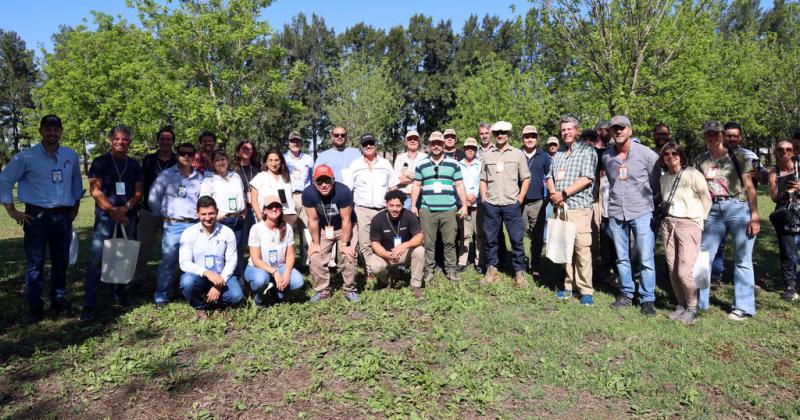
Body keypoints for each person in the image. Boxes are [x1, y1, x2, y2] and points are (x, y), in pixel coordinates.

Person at [0, 115, 83, 322]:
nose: (52, 133)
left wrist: (75, 208)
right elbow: (5, 180)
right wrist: (11, 210)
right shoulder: (26, 157)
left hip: (62, 216)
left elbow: (76, 184)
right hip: (35, 216)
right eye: (48, 129)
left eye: (56, 129)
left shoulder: (70, 156)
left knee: (60, 262)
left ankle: (58, 302)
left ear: (61, 132)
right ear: (41, 131)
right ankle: (35, 308)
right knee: (35, 263)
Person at [695, 121, 760, 321]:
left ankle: (743, 306)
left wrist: (754, 215)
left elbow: (749, 187)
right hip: (712, 211)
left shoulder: (738, 156)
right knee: (703, 257)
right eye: (708, 134)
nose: (712, 137)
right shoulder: (701, 159)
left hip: (738, 208)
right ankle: (699, 302)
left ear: (722, 135)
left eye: (716, 134)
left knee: (742, 258)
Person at [81, 125, 144, 321]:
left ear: (129, 142)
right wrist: (112, 211)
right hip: (105, 218)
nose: (121, 142)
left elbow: (138, 192)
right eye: (117, 139)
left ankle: (120, 295)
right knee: (97, 259)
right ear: (111, 141)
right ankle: (89, 303)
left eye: (125, 139)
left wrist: (124, 209)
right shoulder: (100, 162)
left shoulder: (134, 165)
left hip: (128, 216)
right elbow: (95, 191)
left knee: (123, 255)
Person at [603, 115, 661, 316]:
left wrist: (652, 205)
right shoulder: (607, 156)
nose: (618, 131)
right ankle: (627, 293)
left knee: (645, 257)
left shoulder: (647, 154)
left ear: (630, 130)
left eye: (622, 128)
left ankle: (647, 299)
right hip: (617, 211)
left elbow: (656, 184)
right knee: (621, 257)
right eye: (614, 129)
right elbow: (611, 181)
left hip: (642, 211)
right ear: (610, 132)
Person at [709, 122, 769, 289]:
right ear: (723, 136)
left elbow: (762, 179)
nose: (732, 139)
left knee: (742, 251)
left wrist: (758, 174)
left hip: (741, 204)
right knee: (716, 246)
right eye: (729, 135)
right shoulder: (711, 155)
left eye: (736, 135)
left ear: (740, 137)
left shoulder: (748, 155)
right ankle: (715, 277)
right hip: (716, 207)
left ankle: (744, 287)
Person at [658, 142, 711, 324]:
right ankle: (681, 305)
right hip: (668, 223)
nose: (671, 157)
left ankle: (692, 307)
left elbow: (706, 199)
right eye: (666, 154)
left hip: (689, 223)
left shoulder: (692, 174)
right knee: (672, 268)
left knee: (684, 270)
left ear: (681, 155)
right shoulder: (664, 178)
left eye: (674, 153)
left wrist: (698, 221)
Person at [547, 116, 597, 305]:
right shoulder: (558, 153)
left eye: (570, 129)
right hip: (561, 208)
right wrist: (553, 192)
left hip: (579, 208)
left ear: (577, 131)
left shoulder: (587, 151)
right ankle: (569, 286)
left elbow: (587, 178)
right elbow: (549, 176)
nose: (566, 133)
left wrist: (564, 193)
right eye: (563, 130)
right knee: (565, 248)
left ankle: (586, 291)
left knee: (582, 249)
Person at [149, 142, 205, 307]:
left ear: (195, 155)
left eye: (190, 153)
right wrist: (165, 216)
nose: (186, 156)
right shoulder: (165, 175)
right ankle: (161, 296)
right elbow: (153, 199)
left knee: (194, 261)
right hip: (173, 225)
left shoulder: (200, 178)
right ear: (177, 155)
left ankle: (190, 292)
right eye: (182, 153)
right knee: (168, 262)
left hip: (195, 225)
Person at [411, 131, 469, 283]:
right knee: (429, 243)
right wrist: (413, 205)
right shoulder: (421, 164)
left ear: (443, 145)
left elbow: (459, 185)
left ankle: (451, 270)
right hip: (427, 209)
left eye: (439, 143)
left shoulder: (454, 164)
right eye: (433, 143)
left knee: (449, 242)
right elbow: (416, 185)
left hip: (449, 209)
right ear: (429, 145)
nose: (436, 146)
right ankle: (428, 270)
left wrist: (464, 205)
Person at [480, 121, 531, 287]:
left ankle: (519, 272)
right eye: (497, 133)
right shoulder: (487, 155)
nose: (500, 135)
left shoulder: (517, 154)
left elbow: (526, 178)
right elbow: (483, 179)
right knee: (490, 239)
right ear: (494, 135)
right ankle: (492, 269)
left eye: (503, 132)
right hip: (492, 204)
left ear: (508, 134)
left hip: (511, 204)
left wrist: (520, 199)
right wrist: (483, 199)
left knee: (516, 239)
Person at [178, 196, 244, 319]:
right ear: (197, 214)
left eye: (211, 213)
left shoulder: (227, 232)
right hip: (200, 276)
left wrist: (219, 284)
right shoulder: (189, 233)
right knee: (187, 282)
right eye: (203, 214)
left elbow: (232, 261)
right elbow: (184, 263)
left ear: (217, 212)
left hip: (221, 275)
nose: (208, 218)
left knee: (237, 296)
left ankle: (215, 301)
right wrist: (206, 273)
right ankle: (200, 306)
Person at [302, 165, 360, 302]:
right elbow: (313, 220)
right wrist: (315, 243)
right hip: (323, 229)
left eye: (327, 181)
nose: (323, 185)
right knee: (315, 256)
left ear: (333, 180)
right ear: (313, 181)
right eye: (319, 181)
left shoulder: (344, 191)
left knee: (348, 255)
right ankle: (322, 290)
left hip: (344, 227)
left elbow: (346, 219)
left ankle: (349, 289)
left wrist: (345, 244)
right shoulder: (308, 193)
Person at [345, 134, 399, 271]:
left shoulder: (385, 164)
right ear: (361, 147)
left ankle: (389, 267)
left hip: (382, 209)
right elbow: (347, 190)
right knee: (365, 242)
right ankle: (371, 270)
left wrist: (393, 205)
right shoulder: (355, 165)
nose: (368, 146)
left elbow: (393, 187)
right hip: (362, 209)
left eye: (371, 143)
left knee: (384, 240)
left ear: (375, 144)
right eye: (365, 144)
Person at [244, 195, 305, 306]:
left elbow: (290, 255)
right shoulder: (256, 228)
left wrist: (286, 272)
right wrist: (275, 272)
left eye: (277, 206)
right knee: (261, 280)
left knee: (298, 282)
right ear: (265, 210)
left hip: (279, 265)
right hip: (258, 267)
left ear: (281, 209)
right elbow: (256, 260)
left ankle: (275, 291)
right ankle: (257, 298)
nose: (274, 209)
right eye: (270, 207)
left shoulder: (287, 228)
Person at [135, 126, 177, 283]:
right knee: (142, 247)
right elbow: (142, 182)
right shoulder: (149, 159)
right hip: (149, 210)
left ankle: (170, 280)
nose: (165, 142)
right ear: (158, 141)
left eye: (169, 139)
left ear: (173, 142)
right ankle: (138, 280)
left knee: (171, 250)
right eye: (162, 139)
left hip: (172, 213)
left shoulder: (177, 160)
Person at [367, 190, 426, 299]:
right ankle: (387, 281)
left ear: (403, 205)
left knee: (420, 250)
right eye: (391, 205)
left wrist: (404, 245)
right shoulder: (377, 219)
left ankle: (415, 285)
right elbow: (375, 244)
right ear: (386, 204)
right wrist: (387, 254)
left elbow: (420, 237)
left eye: (398, 206)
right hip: (386, 255)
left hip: (404, 253)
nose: (394, 209)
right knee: (375, 266)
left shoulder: (409, 216)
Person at [767, 139, 800, 301]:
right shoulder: (774, 173)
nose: (785, 152)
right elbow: (774, 198)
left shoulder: (799, 168)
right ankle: (790, 286)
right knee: (788, 252)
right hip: (786, 216)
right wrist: (784, 188)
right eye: (781, 150)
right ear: (776, 153)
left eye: (788, 149)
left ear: (793, 151)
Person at [520, 125, 550, 276]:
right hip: (519, 202)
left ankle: (535, 265)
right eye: (527, 136)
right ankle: (520, 264)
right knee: (518, 234)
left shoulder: (543, 156)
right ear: (522, 138)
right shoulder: (516, 154)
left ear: (537, 138)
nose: (530, 139)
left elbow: (550, 176)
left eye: (532, 136)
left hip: (538, 201)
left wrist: (550, 196)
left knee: (537, 236)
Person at [200, 150, 246, 245]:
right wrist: (215, 215)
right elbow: (205, 202)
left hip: (238, 219)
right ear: (212, 163)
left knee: (237, 252)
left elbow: (242, 194)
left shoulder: (235, 176)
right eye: (217, 160)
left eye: (223, 159)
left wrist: (244, 208)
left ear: (227, 161)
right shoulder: (209, 180)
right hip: (223, 221)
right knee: (222, 251)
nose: (221, 163)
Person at [284, 131, 313, 266]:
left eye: (297, 141)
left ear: (301, 143)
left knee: (306, 229)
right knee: (286, 229)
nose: (295, 143)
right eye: (292, 141)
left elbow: (312, 179)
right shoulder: (283, 158)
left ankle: (305, 261)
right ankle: (285, 261)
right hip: (287, 196)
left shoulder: (308, 159)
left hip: (304, 196)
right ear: (288, 143)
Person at [232, 139, 261, 275]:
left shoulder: (257, 168)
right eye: (244, 148)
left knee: (256, 240)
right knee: (240, 242)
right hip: (241, 210)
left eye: (249, 148)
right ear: (238, 150)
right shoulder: (233, 169)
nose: (246, 150)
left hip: (256, 207)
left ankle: (256, 269)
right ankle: (239, 272)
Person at [250, 149, 297, 226]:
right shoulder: (260, 177)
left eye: (276, 160)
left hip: (288, 215)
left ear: (281, 161)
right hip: (268, 216)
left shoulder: (286, 177)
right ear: (265, 162)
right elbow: (253, 200)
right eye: (270, 160)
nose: (274, 163)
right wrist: (260, 217)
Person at [457, 138, 482, 271]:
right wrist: (464, 199)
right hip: (463, 204)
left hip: (477, 203)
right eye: (467, 147)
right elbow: (456, 183)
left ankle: (479, 261)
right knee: (465, 234)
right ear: (464, 149)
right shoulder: (458, 165)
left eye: (472, 147)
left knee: (478, 233)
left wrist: (476, 196)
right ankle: (462, 261)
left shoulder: (480, 165)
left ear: (476, 150)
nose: (470, 150)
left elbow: (484, 183)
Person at [394, 130, 428, 209]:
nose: (412, 141)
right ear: (405, 142)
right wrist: (419, 177)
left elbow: (427, 178)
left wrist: (407, 174)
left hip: (422, 197)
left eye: (415, 139)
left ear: (418, 142)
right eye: (410, 139)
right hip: (405, 198)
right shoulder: (400, 158)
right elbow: (397, 180)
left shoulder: (425, 158)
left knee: (421, 221)